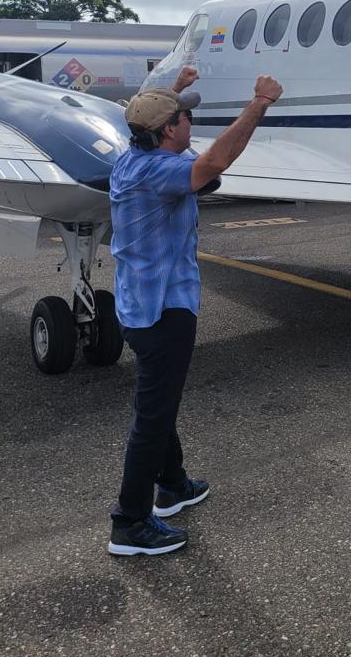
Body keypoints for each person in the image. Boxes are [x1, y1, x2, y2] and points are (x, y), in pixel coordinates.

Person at [107, 67, 283, 556]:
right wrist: (260, 103)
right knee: (151, 415)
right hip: (164, 311)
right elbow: (216, 160)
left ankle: (173, 485)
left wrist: (175, 90)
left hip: (136, 305)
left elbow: (151, 116)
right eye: (185, 116)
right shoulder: (164, 172)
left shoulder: (129, 159)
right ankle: (130, 523)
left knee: (159, 404)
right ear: (169, 130)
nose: (190, 123)